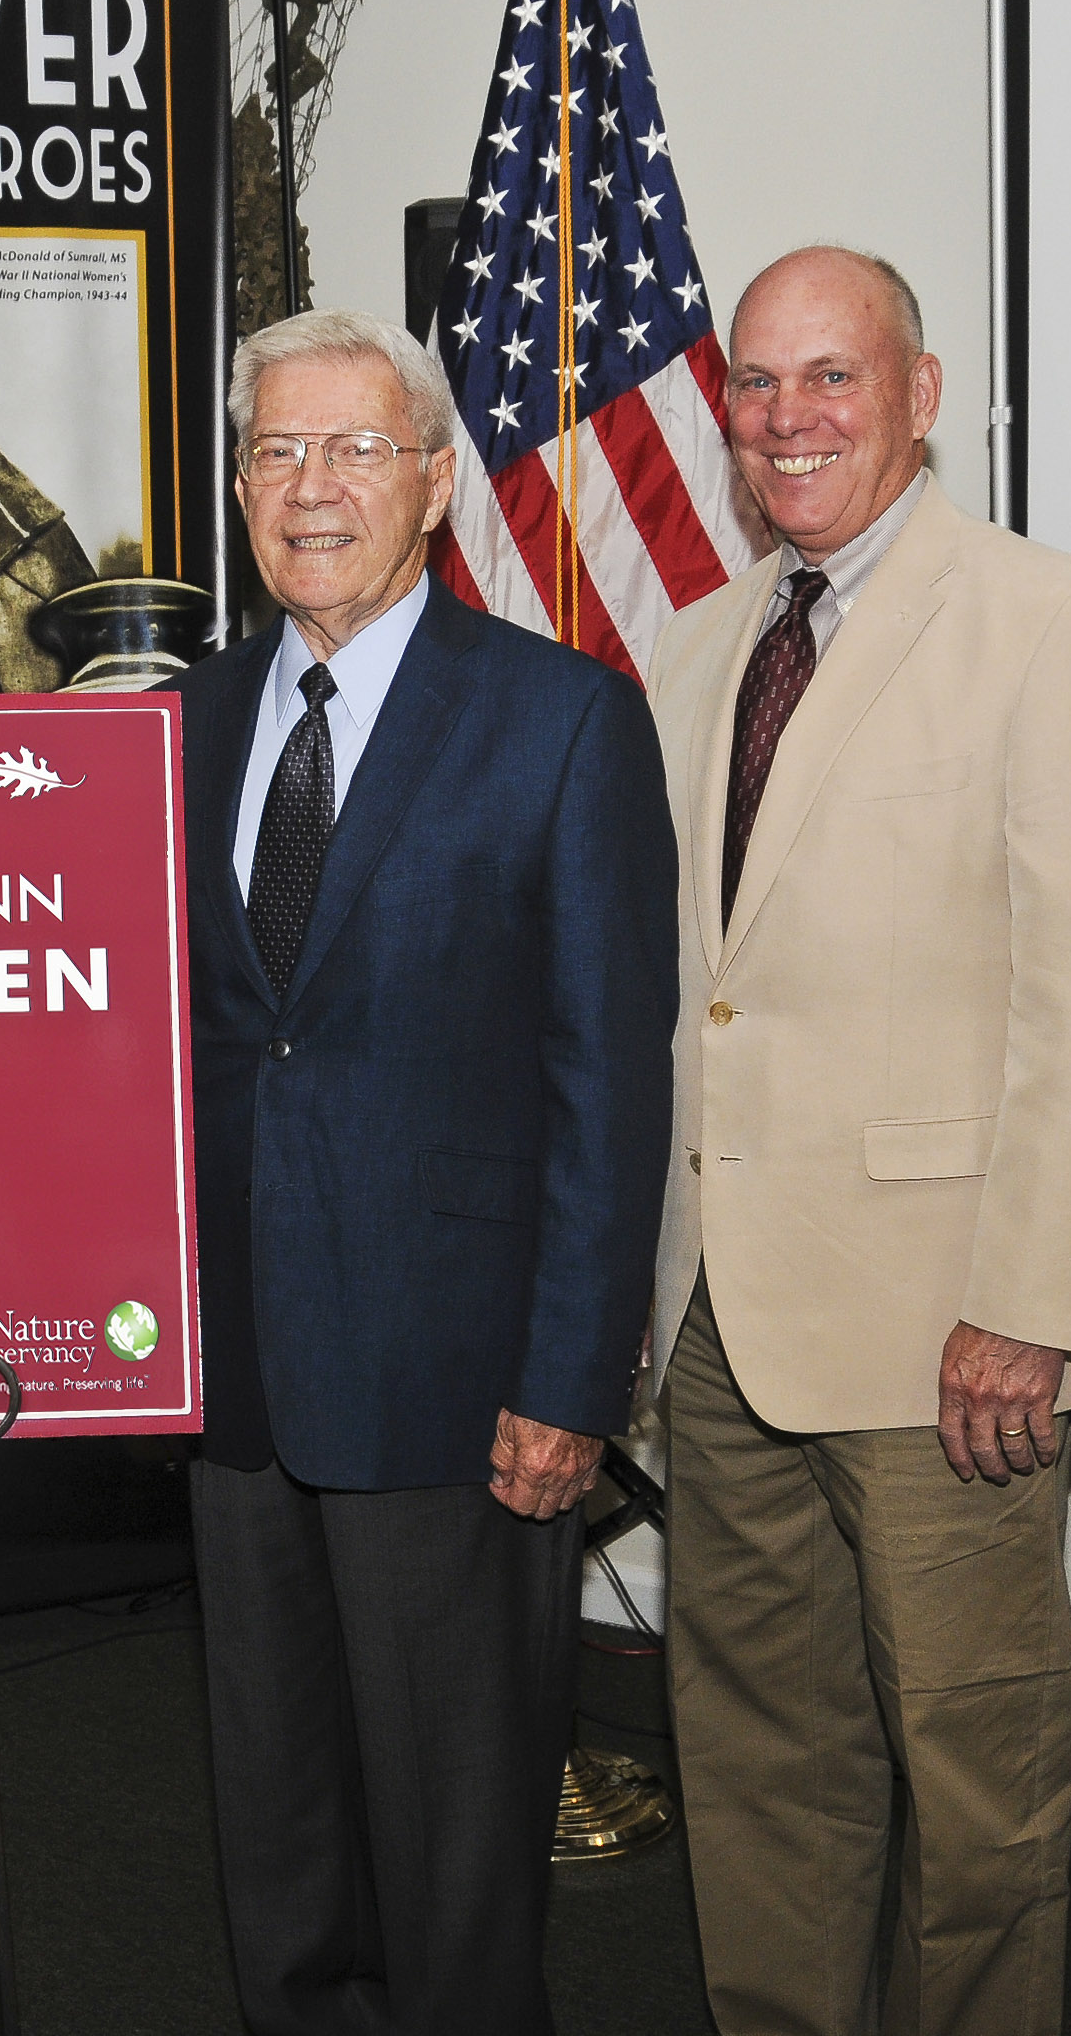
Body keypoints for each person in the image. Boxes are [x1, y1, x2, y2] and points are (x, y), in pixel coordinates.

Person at [645, 249, 1071, 2036]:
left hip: (946, 1332)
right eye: (757, 385)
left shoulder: (1054, 622)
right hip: (723, 1320)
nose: (788, 419)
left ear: (923, 392)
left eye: (833, 378)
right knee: (762, 1778)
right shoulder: (705, 644)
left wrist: (1031, 1303)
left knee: (979, 1785)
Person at [168, 308, 674, 2036]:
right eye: (275, 452)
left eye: (355, 449)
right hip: (233, 1377)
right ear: (237, 483)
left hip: (465, 1390)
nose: (313, 489)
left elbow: (613, 1083)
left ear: (437, 480)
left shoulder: (562, 723)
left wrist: (571, 1382)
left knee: (458, 1862)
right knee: (278, 1830)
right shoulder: (182, 723)